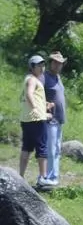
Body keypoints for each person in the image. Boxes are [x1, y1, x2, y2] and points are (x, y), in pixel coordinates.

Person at [19, 55, 55, 187]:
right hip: (37, 119)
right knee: (42, 147)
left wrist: (45, 105)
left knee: (27, 148)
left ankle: (20, 176)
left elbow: (32, 97)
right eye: (38, 65)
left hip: (26, 118)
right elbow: (29, 94)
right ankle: (43, 177)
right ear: (31, 67)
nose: (41, 68)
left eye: (42, 65)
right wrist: (36, 109)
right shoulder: (33, 80)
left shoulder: (28, 79)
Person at [42, 51, 68, 186]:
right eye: (56, 63)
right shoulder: (44, 77)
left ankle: (54, 177)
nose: (58, 65)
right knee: (50, 150)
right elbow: (36, 94)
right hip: (49, 119)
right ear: (50, 63)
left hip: (59, 119)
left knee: (57, 150)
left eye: (60, 63)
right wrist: (45, 106)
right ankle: (47, 178)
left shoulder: (58, 78)